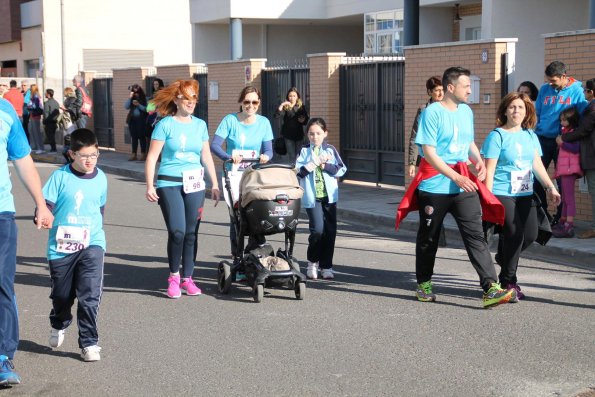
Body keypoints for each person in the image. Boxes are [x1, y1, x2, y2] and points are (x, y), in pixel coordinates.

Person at [395, 66, 515, 308]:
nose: (470, 90)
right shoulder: (432, 113)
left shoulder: (466, 112)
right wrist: (455, 176)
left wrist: (478, 160)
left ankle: (490, 287)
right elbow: (428, 152)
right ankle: (424, 283)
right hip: (435, 185)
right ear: (451, 88)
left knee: (476, 236)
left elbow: (468, 141)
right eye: (466, 86)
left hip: (462, 186)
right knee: (429, 237)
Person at [145, 79, 220, 299]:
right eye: (187, 98)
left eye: (194, 98)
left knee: (191, 233)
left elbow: (206, 155)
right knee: (177, 231)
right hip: (169, 182)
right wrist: (150, 184)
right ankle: (174, 276)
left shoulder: (200, 125)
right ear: (177, 99)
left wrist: (214, 183)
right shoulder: (165, 125)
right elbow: (151, 157)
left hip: (195, 183)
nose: (191, 102)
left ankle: (188, 278)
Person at [482, 92, 561, 300]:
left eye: (520, 108)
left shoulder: (530, 135)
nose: (516, 111)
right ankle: (509, 282)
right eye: (512, 107)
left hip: (525, 192)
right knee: (515, 234)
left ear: (526, 112)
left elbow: (536, 164)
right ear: (505, 110)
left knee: (531, 235)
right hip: (502, 192)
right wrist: (488, 199)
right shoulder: (496, 136)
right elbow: (489, 171)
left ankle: (503, 256)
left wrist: (550, 187)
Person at [0, 98, 53, 386]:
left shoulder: (5, 110)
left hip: (1, 211)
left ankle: (2, 356)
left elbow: (23, 160)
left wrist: (41, 204)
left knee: (1, 282)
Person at [42, 128, 107, 362]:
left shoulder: (101, 178)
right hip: (61, 246)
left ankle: (89, 342)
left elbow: (99, 210)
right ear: (72, 154)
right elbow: (45, 205)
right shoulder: (60, 177)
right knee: (62, 295)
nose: (90, 160)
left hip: (92, 243)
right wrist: (43, 215)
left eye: (94, 155)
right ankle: (59, 321)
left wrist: (95, 236)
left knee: (89, 295)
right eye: (84, 156)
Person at [211, 86, 274, 259]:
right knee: (237, 216)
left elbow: (269, 150)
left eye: (254, 102)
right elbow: (215, 145)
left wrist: (265, 156)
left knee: (255, 212)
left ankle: (254, 251)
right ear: (241, 102)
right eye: (247, 102)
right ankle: (236, 255)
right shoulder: (230, 120)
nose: (250, 105)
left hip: (253, 175)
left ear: (259, 103)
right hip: (234, 174)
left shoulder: (264, 123)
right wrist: (228, 156)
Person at [534, 61, 588, 224]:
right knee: (535, 177)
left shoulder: (578, 91)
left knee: (562, 181)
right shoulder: (544, 89)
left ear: (564, 76)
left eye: (553, 81)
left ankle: (560, 217)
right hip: (542, 139)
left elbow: (581, 118)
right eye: (548, 80)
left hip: (563, 143)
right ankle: (541, 215)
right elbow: (538, 112)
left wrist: (568, 138)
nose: (550, 83)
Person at [296, 118, 347, 280]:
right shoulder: (304, 151)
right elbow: (298, 172)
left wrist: (326, 166)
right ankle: (312, 262)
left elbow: (341, 170)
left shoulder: (330, 150)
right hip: (312, 198)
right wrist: (313, 163)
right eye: (311, 134)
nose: (315, 137)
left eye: (318, 133)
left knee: (330, 232)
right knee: (317, 230)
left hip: (329, 197)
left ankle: (327, 266)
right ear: (307, 135)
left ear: (325, 133)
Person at [559, 78, 595, 239]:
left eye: (585, 90)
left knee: (594, 192)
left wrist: (563, 139)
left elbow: (584, 130)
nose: (583, 93)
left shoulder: (593, 108)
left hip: (592, 156)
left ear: (591, 92)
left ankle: (593, 228)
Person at [552, 107, 582, 238]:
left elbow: (576, 149)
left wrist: (562, 143)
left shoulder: (574, 133)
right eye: (561, 120)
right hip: (564, 169)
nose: (562, 123)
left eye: (564, 120)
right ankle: (563, 221)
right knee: (564, 198)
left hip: (570, 170)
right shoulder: (565, 132)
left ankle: (569, 225)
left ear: (571, 120)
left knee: (569, 198)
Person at [407, 76, 444, 178]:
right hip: (428, 159)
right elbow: (415, 136)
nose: (441, 93)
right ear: (429, 92)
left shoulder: (449, 109)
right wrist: (412, 163)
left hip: (446, 159)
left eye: (442, 90)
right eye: (437, 90)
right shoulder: (424, 110)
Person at [274, 87, 309, 162]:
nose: (292, 98)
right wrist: (282, 105)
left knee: (298, 155)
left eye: (294, 96)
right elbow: (276, 116)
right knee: (292, 156)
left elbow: (306, 120)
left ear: (297, 97)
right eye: (290, 96)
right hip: (288, 135)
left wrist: (303, 120)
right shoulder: (285, 107)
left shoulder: (301, 107)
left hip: (299, 135)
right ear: (287, 97)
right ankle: (293, 172)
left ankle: (298, 171)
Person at [124, 84, 148, 161]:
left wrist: (138, 105)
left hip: (141, 120)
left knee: (141, 137)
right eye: (134, 92)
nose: (135, 94)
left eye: (136, 92)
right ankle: (134, 154)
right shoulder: (131, 98)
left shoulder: (144, 98)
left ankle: (143, 154)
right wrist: (130, 97)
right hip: (132, 120)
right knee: (134, 137)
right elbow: (126, 106)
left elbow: (147, 109)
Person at [61, 87, 78, 163]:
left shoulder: (69, 99)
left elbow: (69, 110)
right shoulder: (73, 99)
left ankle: (69, 156)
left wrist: (63, 108)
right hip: (70, 120)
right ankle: (69, 155)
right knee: (69, 136)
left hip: (68, 120)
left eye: (64, 92)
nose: (63, 93)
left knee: (68, 137)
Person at [26, 83, 44, 154]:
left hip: (35, 116)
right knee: (32, 130)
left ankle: (39, 147)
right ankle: (34, 146)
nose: (30, 90)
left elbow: (35, 106)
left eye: (31, 88)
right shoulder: (34, 95)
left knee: (36, 132)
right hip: (33, 115)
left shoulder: (36, 95)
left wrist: (28, 106)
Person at [43, 89, 60, 153]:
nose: (45, 94)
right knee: (52, 135)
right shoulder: (56, 102)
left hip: (49, 122)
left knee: (50, 136)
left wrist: (44, 122)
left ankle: (53, 148)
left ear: (48, 94)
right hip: (54, 122)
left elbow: (46, 114)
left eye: (46, 93)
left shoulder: (47, 103)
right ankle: (53, 148)